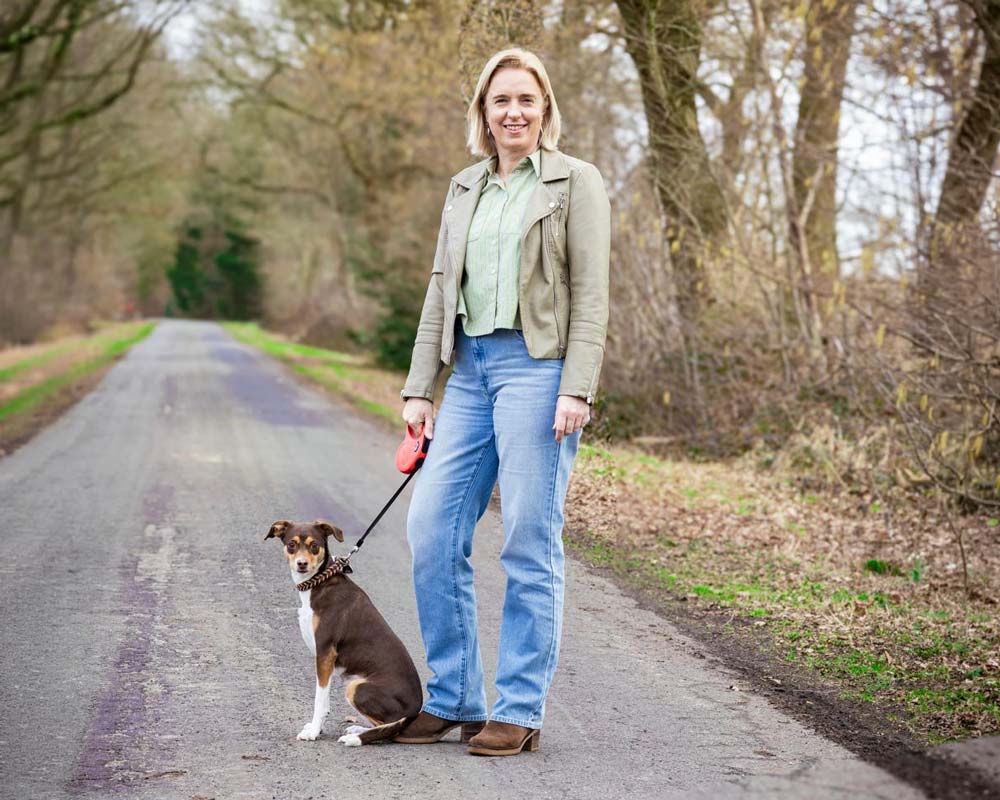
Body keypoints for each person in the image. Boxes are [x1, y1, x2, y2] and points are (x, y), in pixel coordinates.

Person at [395, 47, 611, 757]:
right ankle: (454, 696)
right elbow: (438, 291)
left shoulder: (575, 183)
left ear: (545, 109)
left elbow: (592, 293)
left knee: (527, 535)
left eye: (526, 99)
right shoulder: (465, 188)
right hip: (471, 373)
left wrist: (577, 385)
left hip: (537, 369)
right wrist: (420, 388)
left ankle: (518, 707)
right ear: (482, 115)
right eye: (500, 101)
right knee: (430, 527)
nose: (513, 112)